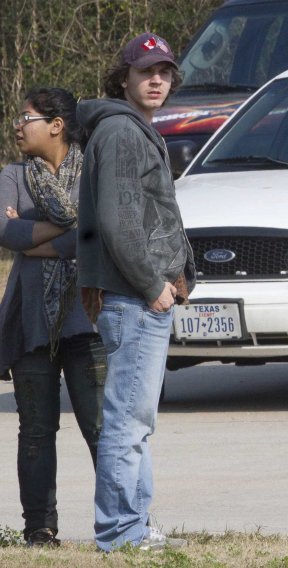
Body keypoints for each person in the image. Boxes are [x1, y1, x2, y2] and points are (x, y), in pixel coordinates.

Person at [76, 32, 195, 552]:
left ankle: (135, 525)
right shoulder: (122, 132)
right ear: (122, 77)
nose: (156, 80)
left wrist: (180, 271)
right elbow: (117, 220)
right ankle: (120, 531)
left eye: (165, 72)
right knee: (127, 419)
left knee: (135, 419)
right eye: (145, 71)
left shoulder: (133, 129)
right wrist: (153, 286)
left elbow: (149, 214)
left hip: (138, 296)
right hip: (135, 298)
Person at [0, 87, 106, 547]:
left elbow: (97, 228)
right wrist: (71, 229)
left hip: (88, 320)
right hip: (31, 323)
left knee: (102, 428)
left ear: (57, 124)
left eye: (27, 118)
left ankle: (123, 521)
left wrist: (36, 239)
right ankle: (39, 528)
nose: (18, 126)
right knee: (36, 430)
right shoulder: (13, 175)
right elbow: (5, 231)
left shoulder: (95, 174)